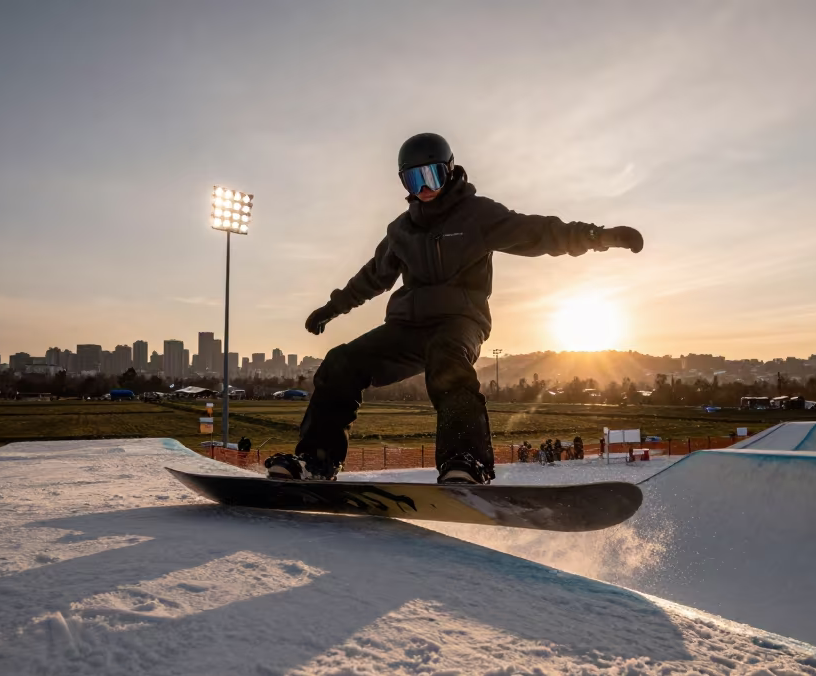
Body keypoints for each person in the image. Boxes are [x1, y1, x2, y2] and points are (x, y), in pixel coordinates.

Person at [265, 132, 644, 484]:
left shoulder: (477, 215)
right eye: (414, 181)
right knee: (340, 362)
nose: (425, 189)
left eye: (432, 175)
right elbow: (372, 277)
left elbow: (538, 232)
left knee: (448, 363)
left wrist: (599, 236)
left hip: (459, 321)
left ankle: (467, 461)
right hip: (407, 327)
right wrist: (331, 309)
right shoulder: (401, 230)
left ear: (450, 172)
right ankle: (317, 459)